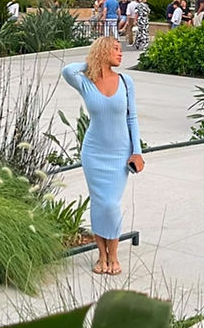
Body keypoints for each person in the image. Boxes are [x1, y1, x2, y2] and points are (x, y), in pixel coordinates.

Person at [61, 37, 144, 275]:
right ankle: (101, 257)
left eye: (120, 49)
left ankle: (114, 255)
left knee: (111, 205)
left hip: (119, 154)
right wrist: (92, 63)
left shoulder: (126, 82)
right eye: (115, 49)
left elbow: (132, 118)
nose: (121, 54)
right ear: (102, 51)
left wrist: (137, 151)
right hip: (94, 153)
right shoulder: (86, 82)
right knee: (99, 204)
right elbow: (67, 70)